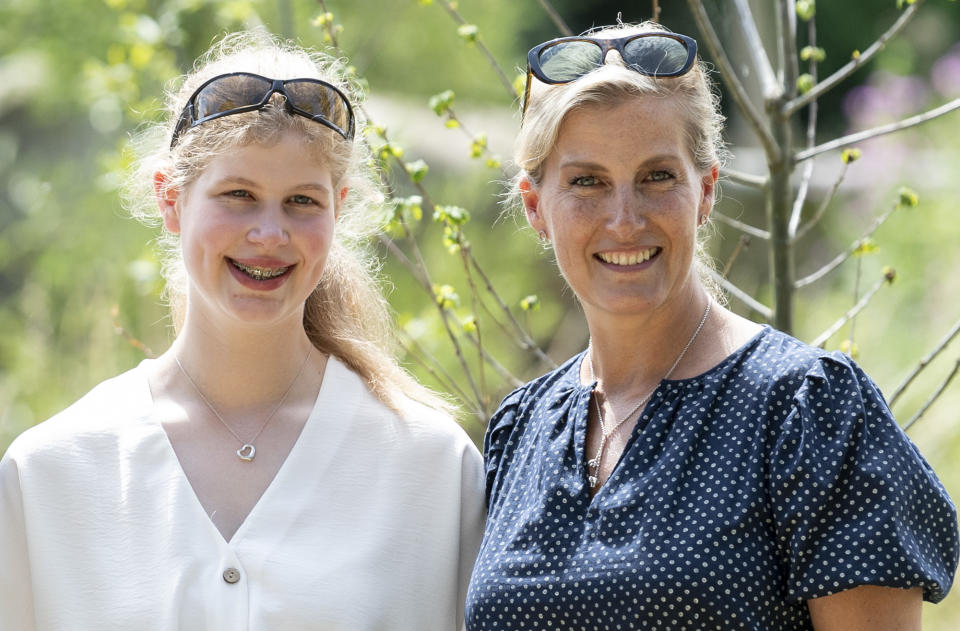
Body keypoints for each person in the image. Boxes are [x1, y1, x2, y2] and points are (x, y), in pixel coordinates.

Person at [465, 21, 958, 630]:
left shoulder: (807, 412)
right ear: (537, 206)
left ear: (706, 191)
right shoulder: (521, 430)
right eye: (587, 181)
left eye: (657, 177)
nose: (625, 220)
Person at [0, 31, 485, 630]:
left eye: (302, 202)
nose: (270, 234)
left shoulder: (431, 466)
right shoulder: (53, 471)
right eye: (238, 194)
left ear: (339, 206)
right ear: (171, 200)